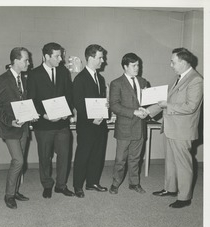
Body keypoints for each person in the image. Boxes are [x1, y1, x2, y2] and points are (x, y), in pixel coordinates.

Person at [147, 48, 203, 208]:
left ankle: (185, 198)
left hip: (182, 130)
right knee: (170, 162)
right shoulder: (177, 78)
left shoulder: (196, 80)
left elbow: (190, 107)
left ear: (184, 62)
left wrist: (167, 105)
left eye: (173, 61)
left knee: (183, 164)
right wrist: (148, 111)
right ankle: (170, 189)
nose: (171, 64)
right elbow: (164, 100)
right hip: (171, 127)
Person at [27, 42, 75, 198]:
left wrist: (66, 112)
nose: (60, 59)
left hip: (62, 123)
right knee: (44, 156)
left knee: (64, 155)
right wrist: (44, 114)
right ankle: (47, 184)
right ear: (46, 56)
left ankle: (61, 185)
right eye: (57, 56)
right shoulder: (34, 74)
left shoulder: (63, 72)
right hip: (44, 124)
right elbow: (31, 99)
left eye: (60, 55)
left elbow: (69, 95)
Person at [0, 47, 32, 209]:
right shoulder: (2, 80)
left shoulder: (25, 78)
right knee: (18, 160)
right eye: (26, 60)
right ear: (15, 61)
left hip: (24, 128)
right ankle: (9, 195)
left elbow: (26, 102)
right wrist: (10, 121)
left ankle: (15, 191)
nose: (29, 63)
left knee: (20, 162)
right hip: (10, 128)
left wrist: (31, 114)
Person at [108, 53, 148, 195]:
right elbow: (114, 106)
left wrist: (147, 110)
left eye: (138, 65)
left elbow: (147, 103)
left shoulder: (143, 82)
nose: (137, 68)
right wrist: (134, 112)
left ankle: (134, 183)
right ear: (125, 66)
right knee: (120, 159)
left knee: (135, 158)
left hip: (139, 127)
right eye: (134, 65)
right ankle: (115, 183)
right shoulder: (116, 83)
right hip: (124, 127)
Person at [72, 44, 108, 198]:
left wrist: (105, 107)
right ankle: (78, 185)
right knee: (83, 155)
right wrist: (92, 118)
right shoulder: (80, 79)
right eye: (100, 57)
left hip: (101, 124)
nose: (103, 60)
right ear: (91, 58)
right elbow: (78, 102)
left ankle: (92, 182)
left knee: (97, 154)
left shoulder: (100, 78)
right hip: (87, 125)